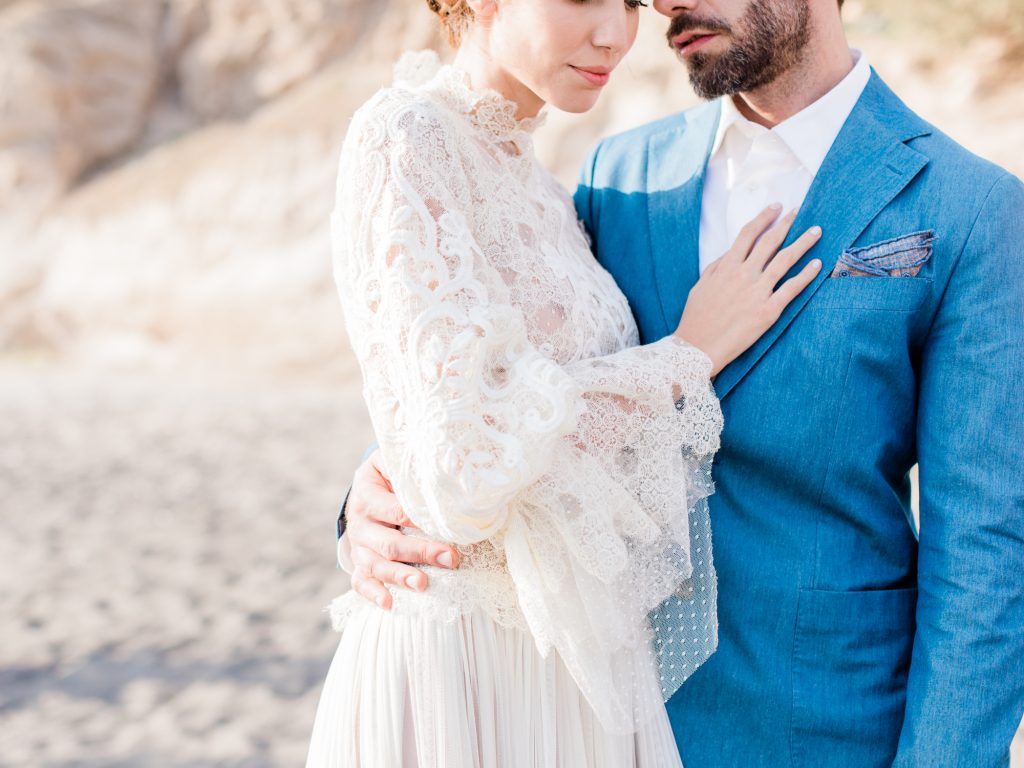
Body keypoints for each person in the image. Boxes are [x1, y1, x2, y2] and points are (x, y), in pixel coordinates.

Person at [337, 0, 1024, 765]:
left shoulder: (970, 209)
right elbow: (496, 373)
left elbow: (988, 557)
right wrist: (378, 492)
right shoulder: (621, 173)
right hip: (593, 717)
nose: (663, 4)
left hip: (821, 727)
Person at [307, 0, 826, 765]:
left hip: (574, 661)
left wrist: (386, 475)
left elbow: (488, 406)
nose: (616, 35)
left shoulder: (552, 192)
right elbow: (465, 456)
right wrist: (689, 353)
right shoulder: (403, 135)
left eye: (628, 2)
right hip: (465, 659)